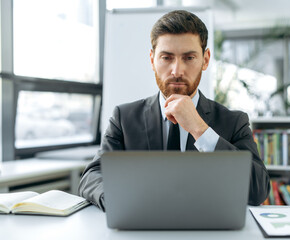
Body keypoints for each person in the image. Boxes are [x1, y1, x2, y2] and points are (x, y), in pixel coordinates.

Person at [79, 10, 270, 211]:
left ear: (205, 60)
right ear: (152, 59)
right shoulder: (124, 118)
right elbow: (91, 178)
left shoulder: (233, 121)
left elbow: (257, 191)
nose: (177, 71)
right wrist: (121, 200)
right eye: (166, 57)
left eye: (188, 58)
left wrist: (200, 129)